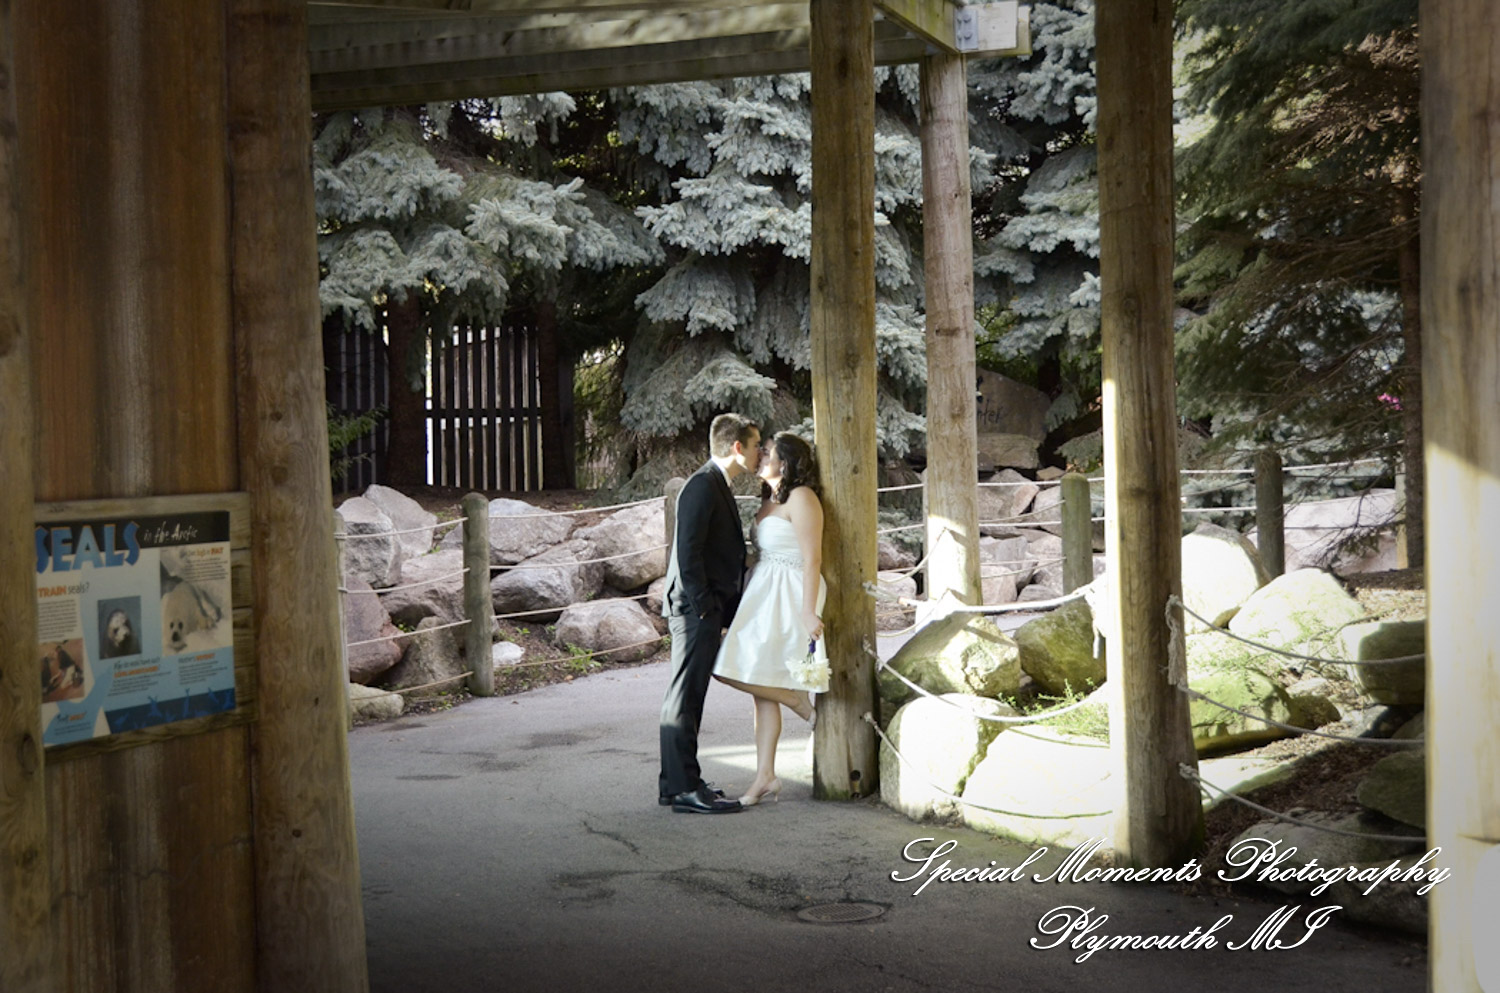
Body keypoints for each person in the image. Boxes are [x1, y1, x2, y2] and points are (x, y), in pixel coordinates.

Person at [712, 430, 828, 807]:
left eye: (769, 453)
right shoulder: (768, 499)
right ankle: (765, 775)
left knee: (736, 670)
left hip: (791, 591)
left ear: (787, 462)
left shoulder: (802, 497)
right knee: (749, 678)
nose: (761, 457)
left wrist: (809, 610)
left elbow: (812, 558)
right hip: (762, 589)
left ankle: (802, 706)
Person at [658, 412, 761, 814]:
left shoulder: (717, 483)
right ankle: (684, 788)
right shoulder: (701, 485)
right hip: (693, 610)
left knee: (688, 697)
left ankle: (677, 783)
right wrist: (705, 610)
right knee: (684, 699)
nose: (759, 454)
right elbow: (687, 552)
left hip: (703, 609)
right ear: (737, 447)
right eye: (755, 446)